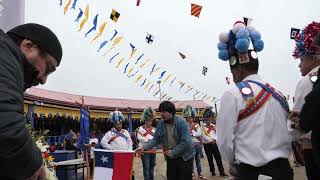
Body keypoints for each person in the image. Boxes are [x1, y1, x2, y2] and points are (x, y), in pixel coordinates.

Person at [216, 21, 293, 180]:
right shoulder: (278, 94)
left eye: (232, 72)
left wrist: (232, 163)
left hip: (253, 172)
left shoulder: (232, 94)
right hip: (284, 171)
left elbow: (224, 142)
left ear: (238, 69)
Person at [0, 23, 62, 179]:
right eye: (48, 68)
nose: (43, 80)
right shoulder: (4, 56)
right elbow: (5, 123)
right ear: (28, 46)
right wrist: (32, 164)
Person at [289, 21, 320, 179]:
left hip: (312, 148)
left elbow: (298, 123)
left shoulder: (307, 81)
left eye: (301, 60)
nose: (299, 65)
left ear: (313, 60)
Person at [136, 101, 195, 180]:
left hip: (184, 158)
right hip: (171, 157)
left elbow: (186, 142)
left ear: (171, 112)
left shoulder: (182, 122)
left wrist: (174, 152)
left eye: (164, 112)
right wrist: (143, 147)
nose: (162, 114)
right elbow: (155, 140)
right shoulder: (161, 123)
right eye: (161, 112)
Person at [182, 105, 207, 180]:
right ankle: (192, 173)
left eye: (191, 118)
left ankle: (200, 174)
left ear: (193, 118)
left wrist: (192, 134)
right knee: (191, 161)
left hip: (197, 144)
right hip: (189, 145)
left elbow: (199, 134)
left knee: (198, 160)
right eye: (188, 118)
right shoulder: (185, 125)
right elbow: (184, 135)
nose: (189, 119)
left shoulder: (196, 125)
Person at [201, 107, 226, 177]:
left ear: (211, 119)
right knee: (210, 159)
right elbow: (203, 135)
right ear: (204, 119)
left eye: (209, 119)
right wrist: (211, 141)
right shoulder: (202, 127)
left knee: (218, 159)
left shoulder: (214, 126)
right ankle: (212, 171)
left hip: (215, 144)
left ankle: (222, 171)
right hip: (207, 145)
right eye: (206, 119)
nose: (208, 120)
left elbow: (218, 133)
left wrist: (215, 139)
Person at [137, 107, 157, 180]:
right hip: (144, 150)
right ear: (145, 120)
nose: (149, 122)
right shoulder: (141, 129)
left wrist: (152, 142)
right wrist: (149, 141)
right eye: (148, 121)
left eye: (151, 121)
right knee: (146, 167)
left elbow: (156, 139)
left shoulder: (154, 129)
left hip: (153, 150)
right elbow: (139, 137)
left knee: (152, 166)